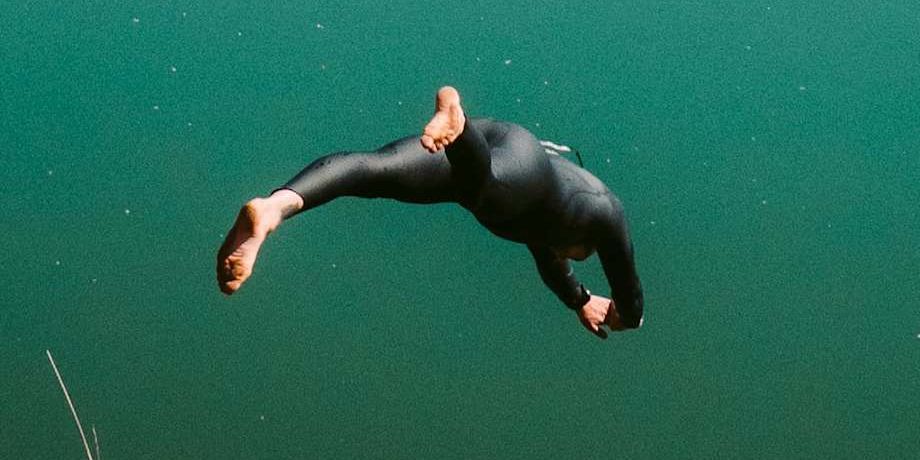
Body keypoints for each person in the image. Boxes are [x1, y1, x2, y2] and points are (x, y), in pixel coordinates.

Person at [216, 84, 643, 335]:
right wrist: (627, 316)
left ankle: (275, 206)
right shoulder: (600, 210)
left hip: (496, 144)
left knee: (375, 170)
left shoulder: (543, 226)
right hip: (512, 163)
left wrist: (580, 301)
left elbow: (552, 264)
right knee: (486, 187)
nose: (570, 257)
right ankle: (459, 127)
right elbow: (630, 293)